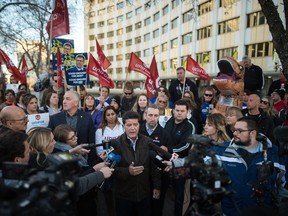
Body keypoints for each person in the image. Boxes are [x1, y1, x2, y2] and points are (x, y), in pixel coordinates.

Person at [164, 117, 286, 216]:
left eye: (239, 131)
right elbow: (198, 162)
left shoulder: (274, 154)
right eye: (234, 130)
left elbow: (283, 187)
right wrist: (174, 163)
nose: (234, 133)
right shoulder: (223, 150)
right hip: (230, 212)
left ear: (253, 133)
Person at [109, 111, 161, 216]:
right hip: (124, 195)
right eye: (129, 125)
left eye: (135, 124)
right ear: (124, 126)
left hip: (143, 194)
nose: (132, 128)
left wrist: (157, 186)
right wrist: (127, 171)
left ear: (139, 125)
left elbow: (154, 166)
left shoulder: (148, 142)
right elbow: (111, 169)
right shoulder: (116, 143)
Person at [164, 99, 196, 216]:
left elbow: (186, 146)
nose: (179, 113)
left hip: (181, 165)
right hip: (166, 162)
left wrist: (168, 150)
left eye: (182, 111)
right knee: (165, 191)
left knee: (179, 195)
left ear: (187, 112)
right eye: (177, 110)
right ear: (173, 111)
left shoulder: (190, 125)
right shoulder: (169, 122)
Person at [48, 90, 97, 165]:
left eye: (68, 99)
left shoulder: (87, 117)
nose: (64, 101)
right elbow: (49, 141)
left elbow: (91, 140)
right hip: (61, 161)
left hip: (82, 160)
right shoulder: (54, 118)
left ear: (76, 102)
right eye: (64, 98)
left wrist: (92, 163)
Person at [140, 104, 173, 216]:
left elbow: (170, 155)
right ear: (145, 115)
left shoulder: (165, 134)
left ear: (159, 116)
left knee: (157, 206)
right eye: (150, 115)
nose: (152, 118)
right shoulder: (137, 130)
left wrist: (165, 151)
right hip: (140, 175)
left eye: (155, 115)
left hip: (159, 177)